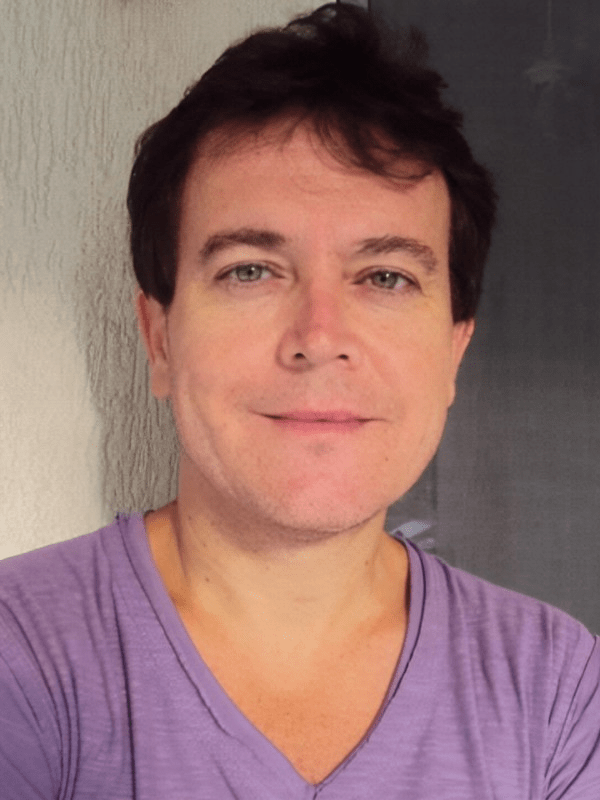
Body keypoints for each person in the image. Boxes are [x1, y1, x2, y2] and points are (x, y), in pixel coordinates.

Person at [1, 4, 598, 797]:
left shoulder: (555, 690)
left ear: (454, 351)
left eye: (385, 277)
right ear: (159, 339)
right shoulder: (20, 657)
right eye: (250, 270)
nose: (320, 337)